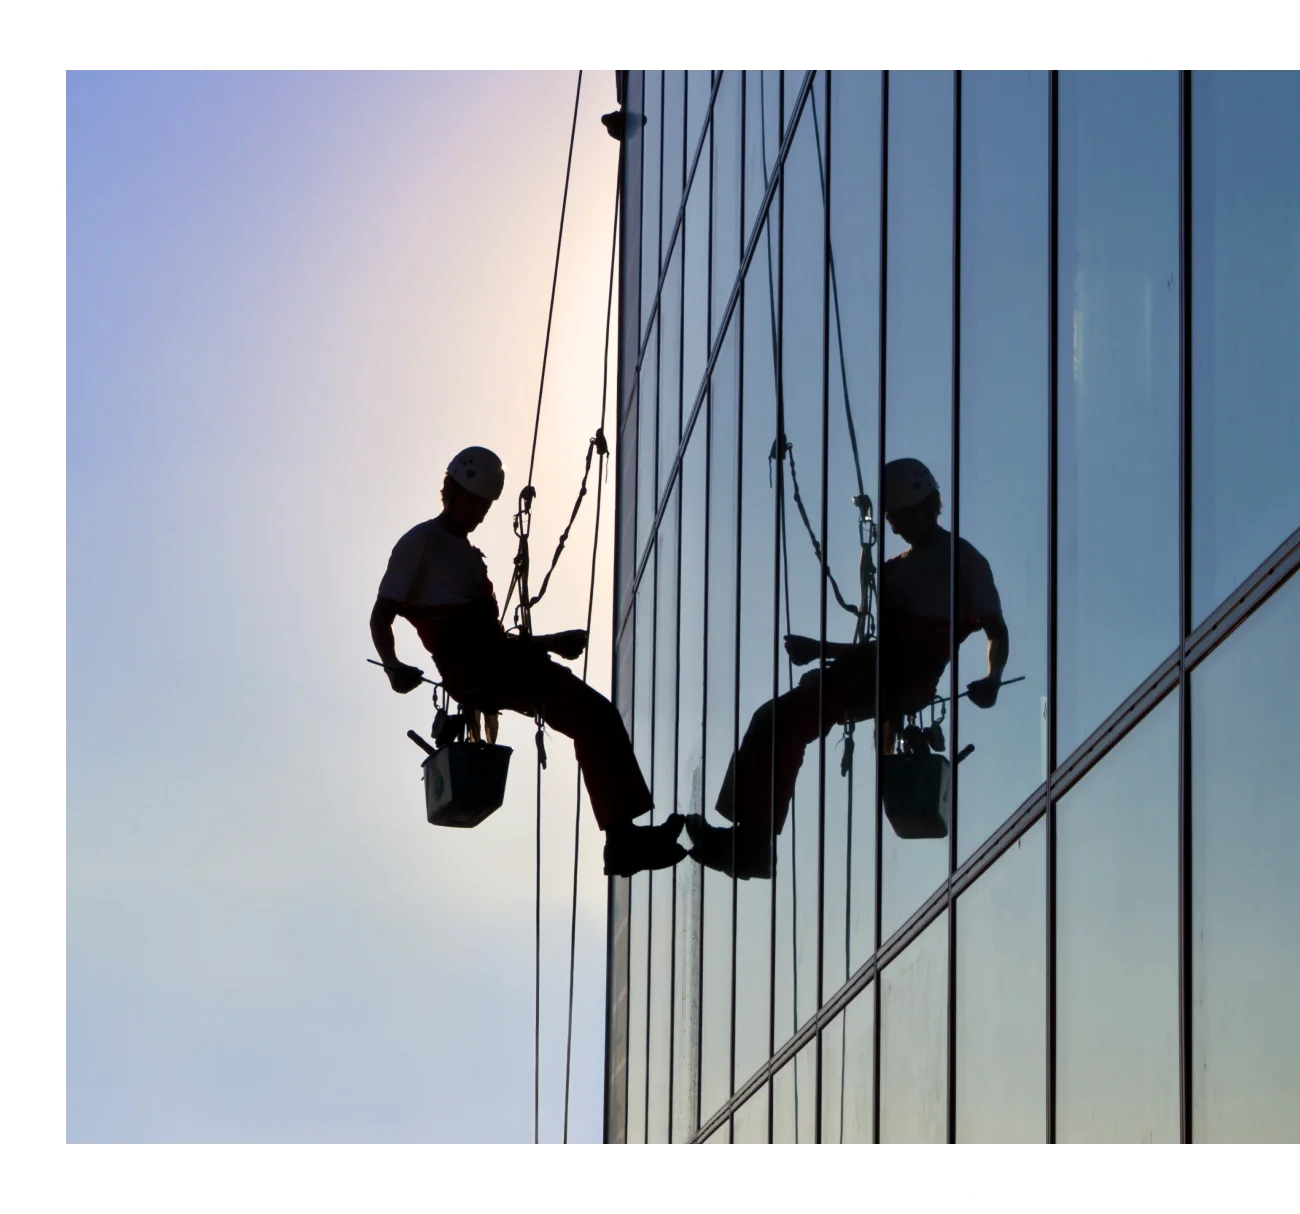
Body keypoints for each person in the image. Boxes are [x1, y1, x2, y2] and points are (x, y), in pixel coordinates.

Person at [685, 457, 1010, 879]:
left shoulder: (965, 562)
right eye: (893, 520)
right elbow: (882, 649)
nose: (894, 528)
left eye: (901, 517)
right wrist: (821, 649)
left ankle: (752, 844)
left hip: (903, 678)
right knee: (773, 717)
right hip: (882, 671)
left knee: (789, 719)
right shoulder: (894, 571)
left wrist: (993, 679)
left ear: (929, 506)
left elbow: (995, 631)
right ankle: (750, 839)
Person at [370, 446, 686, 877]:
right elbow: (381, 616)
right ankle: (623, 840)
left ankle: (624, 835)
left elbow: (490, 640)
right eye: (473, 502)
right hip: (478, 667)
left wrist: (549, 643)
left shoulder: (463, 553)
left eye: (485, 506)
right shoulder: (421, 542)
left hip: (491, 662)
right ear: (451, 491)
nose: (479, 513)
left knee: (594, 716)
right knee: (592, 714)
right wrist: (392, 666)